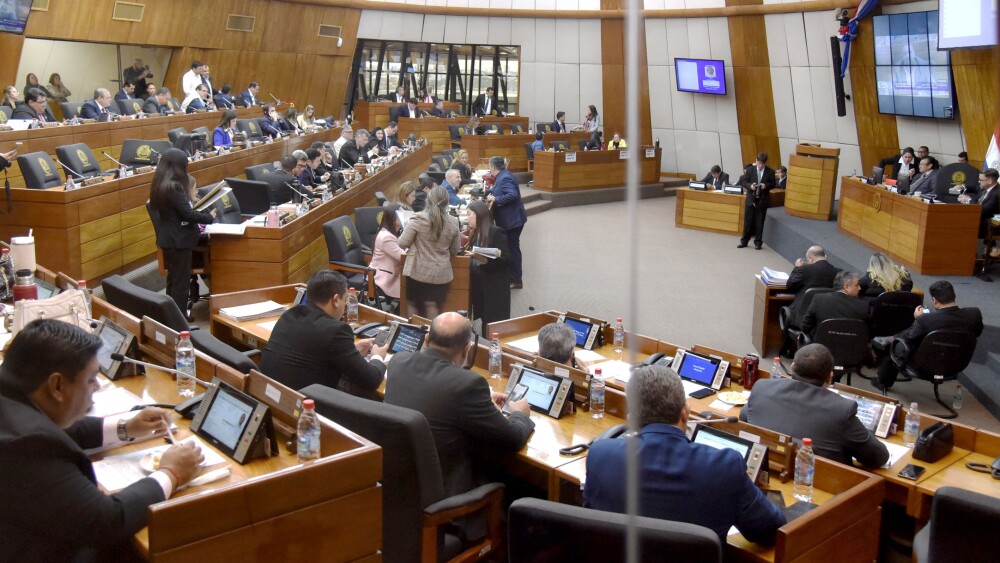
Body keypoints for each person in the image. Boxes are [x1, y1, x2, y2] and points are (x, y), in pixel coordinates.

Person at [0, 319, 205, 562]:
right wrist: (171, 473)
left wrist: (126, 427)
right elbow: (107, 521)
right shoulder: (29, 447)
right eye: (90, 379)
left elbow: (53, 426)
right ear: (57, 385)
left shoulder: (13, 397)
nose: (96, 387)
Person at [584, 365, 785, 543]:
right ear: (685, 413)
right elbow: (770, 531)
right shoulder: (726, 467)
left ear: (632, 419)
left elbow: (590, 519)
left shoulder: (600, 455)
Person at [384, 312, 534, 496]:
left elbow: (438, 392)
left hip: (397, 480)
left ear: (426, 339)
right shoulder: (469, 384)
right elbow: (513, 439)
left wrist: (484, 403)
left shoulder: (398, 361)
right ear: (467, 348)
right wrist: (519, 413)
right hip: (443, 490)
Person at [741, 344, 889, 468]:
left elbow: (744, 416)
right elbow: (878, 457)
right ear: (829, 377)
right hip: (819, 486)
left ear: (792, 367)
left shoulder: (762, 387)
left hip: (766, 469)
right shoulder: (841, 410)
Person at [259, 270, 388, 396]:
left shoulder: (290, 314)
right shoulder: (337, 331)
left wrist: (352, 349)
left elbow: (315, 349)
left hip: (267, 395)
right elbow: (371, 380)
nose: (345, 307)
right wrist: (377, 357)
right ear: (336, 300)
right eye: (345, 300)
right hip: (304, 410)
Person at [874, 281, 983, 392]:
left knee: (895, 345)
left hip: (924, 364)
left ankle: (882, 381)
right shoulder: (974, 315)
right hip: (955, 363)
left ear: (935, 301)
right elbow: (976, 333)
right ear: (953, 296)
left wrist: (918, 319)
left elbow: (909, 339)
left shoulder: (926, 320)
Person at [149, 148, 217, 315]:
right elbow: (187, 214)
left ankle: (169, 317)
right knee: (181, 285)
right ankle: (179, 322)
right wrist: (209, 216)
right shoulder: (175, 186)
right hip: (179, 241)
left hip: (168, 239)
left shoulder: (159, 184)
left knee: (173, 282)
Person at [397, 185, 462, 318]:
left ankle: (414, 336)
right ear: (447, 202)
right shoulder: (453, 222)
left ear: (428, 200)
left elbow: (402, 243)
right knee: (432, 305)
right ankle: (432, 337)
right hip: (441, 273)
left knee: (413, 306)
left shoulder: (418, 218)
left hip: (417, 271)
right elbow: (455, 250)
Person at [465, 200, 510, 325]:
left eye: (469, 214)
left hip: (494, 287)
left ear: (479, 214)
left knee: (493, 326)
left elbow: (506, 259)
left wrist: (484, 258)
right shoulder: (475, 233)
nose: (467, 218)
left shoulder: (496, 232)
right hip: (480, 285)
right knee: (484, 322)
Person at [486, 156, 527, 289]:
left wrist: (496, 199)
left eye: (489, 166)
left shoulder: (505, 177)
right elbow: (500, 189)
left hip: (512, 220)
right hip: (511, 219)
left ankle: (516, 280)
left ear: (493, 167)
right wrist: (490, 192)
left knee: (513, 250)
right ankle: (512, 276)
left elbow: (512, 194)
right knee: (511, 248)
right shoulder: (504, 175)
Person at [800, 271, 870, 338]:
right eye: (856, 285)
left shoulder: (818, 299)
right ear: (846, 287)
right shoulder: (863, 306)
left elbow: (805, 327)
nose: (859, 288)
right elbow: (867, 334)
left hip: (821, 347)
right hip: (852, 349)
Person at [785, 245, 842, 319]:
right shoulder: (838, 272)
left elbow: (790, 286)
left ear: (811, 258)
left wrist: (797, 268)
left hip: (801, 317)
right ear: (825, 256)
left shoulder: (804, 269)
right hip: (824, 319)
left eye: (808, 260)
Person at [737, 152, 776, 250]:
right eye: (759, 163)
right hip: (750, 199)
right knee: (748, 222)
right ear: (756, 161)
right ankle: (744, 241)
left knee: (760, 222)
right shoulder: (750, 170)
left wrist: (765, 186)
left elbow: (773, 184)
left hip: (762, 200)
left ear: (765, 163)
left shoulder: (770, 172)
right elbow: (744, 182)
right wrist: (750, 186)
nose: (760, 165)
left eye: (762, 164)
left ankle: (758, 242)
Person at [371, 203, 406, 301]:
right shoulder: (386, 237)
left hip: (395, 272)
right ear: (393, 219)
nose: (404, 217)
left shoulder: (394, 232)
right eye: (401, 214)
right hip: (386, 278)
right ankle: (402, 313)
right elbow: (403, 257)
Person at [960, 168, 999, 241]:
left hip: (987, 222)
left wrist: (967, 200)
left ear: (989, 181)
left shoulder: (996, 194)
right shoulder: (986, 187)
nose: (978, 181)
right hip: (977, 218)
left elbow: (983, 210)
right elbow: (976, 189)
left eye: (981, 180)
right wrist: (963, 187)